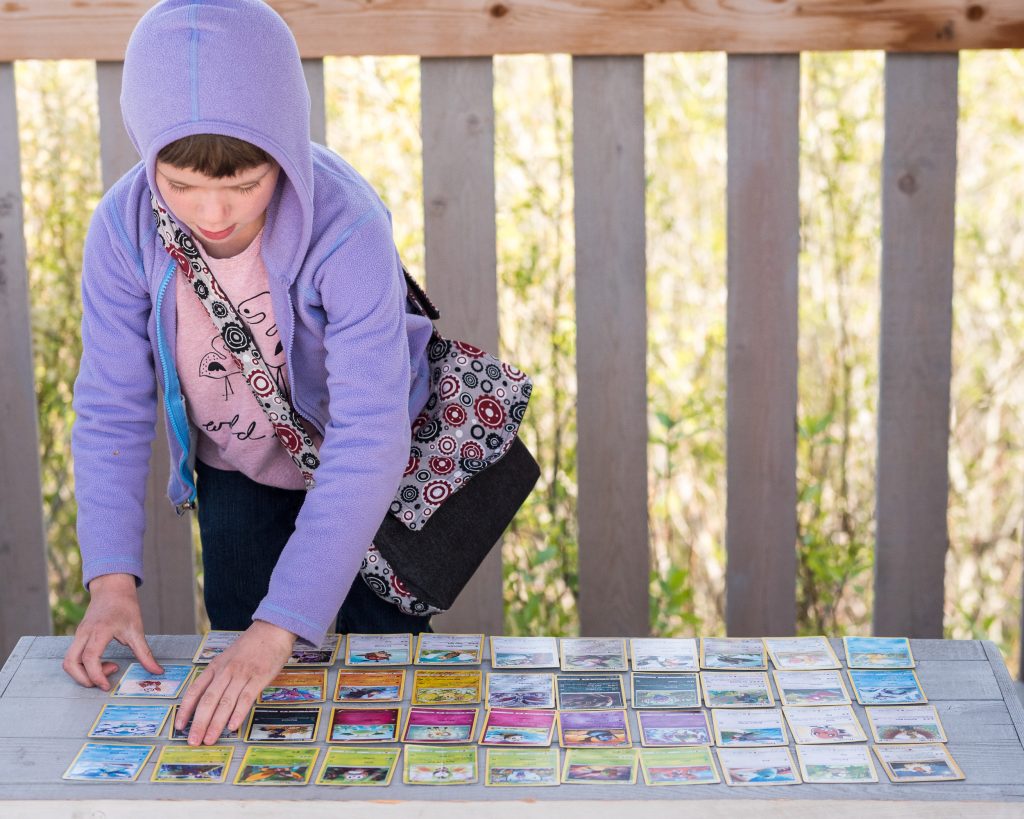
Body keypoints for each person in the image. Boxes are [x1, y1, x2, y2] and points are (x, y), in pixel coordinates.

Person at [61, 0, 434, 745]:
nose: (212, 212)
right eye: (180, 184)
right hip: (237, 468)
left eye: (245, 184)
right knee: (245, 684)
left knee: (379, 679)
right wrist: (110, 581)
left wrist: (281, 626)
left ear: (284, 151)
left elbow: (369, 435)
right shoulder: (123, 227)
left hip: (375, 476)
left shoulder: (347, 223)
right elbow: (110, 407)